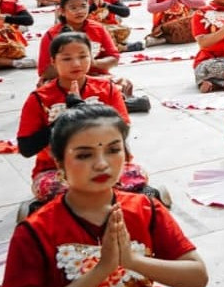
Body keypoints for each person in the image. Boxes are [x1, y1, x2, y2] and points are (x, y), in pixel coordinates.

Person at [0, 104, 224, 287]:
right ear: (58, 162)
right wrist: (101, 271)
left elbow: (198, 276)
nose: (102, 164)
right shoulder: (36, 230)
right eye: (84, 155)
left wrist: (132, 260)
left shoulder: (145, 209)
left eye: (113, 150)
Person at [18, 32, 155, 205]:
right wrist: (60, 122)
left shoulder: (107, 88)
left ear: (92, 56)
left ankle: (134, 197)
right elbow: (26, 148)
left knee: (136, 175)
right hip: (57, 169)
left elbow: (122, 130)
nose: (76, 64)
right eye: (67, 59)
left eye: (83, 56)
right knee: (57, 188)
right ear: (53, 62)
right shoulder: (39, 98)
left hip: (104, 162)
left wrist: (90, 113)